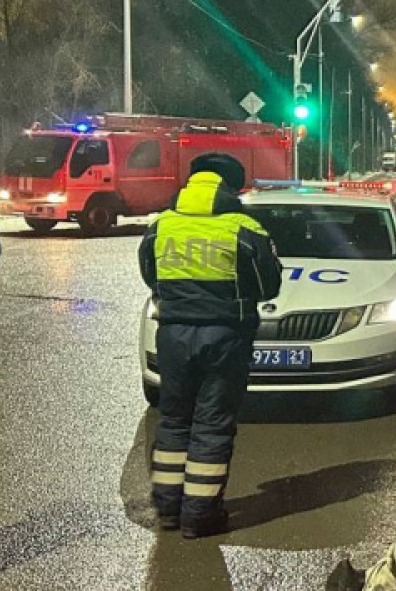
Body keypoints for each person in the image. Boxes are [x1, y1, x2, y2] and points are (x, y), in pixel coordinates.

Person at [137, 154, 281, 539]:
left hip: (173, 334)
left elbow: (150, 276)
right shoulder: (245, 229)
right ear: (231, 188)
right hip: (224, 336)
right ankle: (200, 516)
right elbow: (268, 286)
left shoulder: (161, 226)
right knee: (212, 425)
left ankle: (168, 510)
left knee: (174, 419)